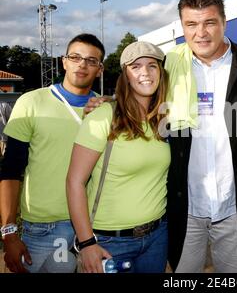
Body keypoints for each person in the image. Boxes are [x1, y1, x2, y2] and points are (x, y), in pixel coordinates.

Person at [162, 0, 237, 273]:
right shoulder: (169, 68)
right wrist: (104, 103)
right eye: (191, 25)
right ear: (182, 27)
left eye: (209, 22)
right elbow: (136, 104)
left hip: (235, 205)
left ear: (224, 21)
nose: (201, 33)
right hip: (186, 205)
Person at [0, 33, 105, 273]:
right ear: (64, 61)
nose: (82, 64)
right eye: (75, 57)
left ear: (100, 69)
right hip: (43, 228)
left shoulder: (106, 108)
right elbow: (11, 169)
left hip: (95, 223)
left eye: (91, 60)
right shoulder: (32, 102)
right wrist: (9, 231)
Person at [66, 41, 169, 273]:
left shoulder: (163, 120)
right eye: (136, 66)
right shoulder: (103, 116)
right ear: (125, 75)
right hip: (111, 242)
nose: (145, 72)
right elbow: (75, 182)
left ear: (161, 73)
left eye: (152, 66)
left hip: (157, 237)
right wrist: (87, 242)